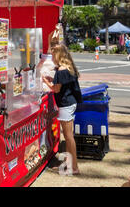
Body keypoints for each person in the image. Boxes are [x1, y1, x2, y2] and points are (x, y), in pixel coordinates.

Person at [43, 44, 81, 175]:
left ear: (58, 55)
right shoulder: (69, 68)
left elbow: (56, 89)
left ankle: (74, 167)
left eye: (53, 54)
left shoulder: (60, 71)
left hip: (65, 104)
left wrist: (46, 81)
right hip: (71, 103)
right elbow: (63, 85)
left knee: (69, 137)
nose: (52, 57)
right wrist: (52, 80)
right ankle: (70, 164)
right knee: (69, 136)